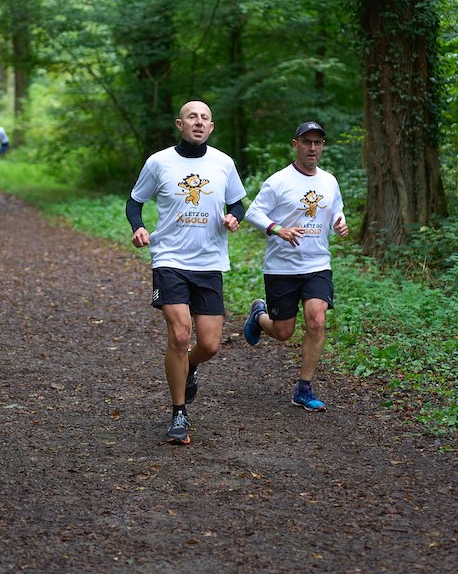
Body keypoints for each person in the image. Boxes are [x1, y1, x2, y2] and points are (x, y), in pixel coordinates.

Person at [126, 100, 246, 446]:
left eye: (205, 118)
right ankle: (178, 412)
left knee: (209, 344)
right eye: (192, 116)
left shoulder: (223, 163)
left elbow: (237, 202)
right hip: (170, 259)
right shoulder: (159, 161)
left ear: (211, 126)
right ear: (180, 124)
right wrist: (138, 227)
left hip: (209, 262)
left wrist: (234, 217)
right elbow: (135, 201)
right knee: (180, 336)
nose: (198, 122)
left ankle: (189, 366)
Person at [242, 121, 349, 412]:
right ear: (295, 144)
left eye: (318, 143)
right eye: (306, 142)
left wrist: (339, 223)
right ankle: (259, 316)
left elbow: (336, 210)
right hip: (282, 268)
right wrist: (278, 229)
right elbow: (253, 213)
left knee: (317, 320)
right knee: (283, 331)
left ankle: (304, 388)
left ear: (322, 146)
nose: (312, 148)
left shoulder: (329, 181)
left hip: (317, 264)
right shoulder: (279, 181)